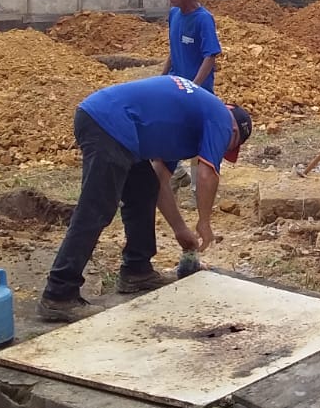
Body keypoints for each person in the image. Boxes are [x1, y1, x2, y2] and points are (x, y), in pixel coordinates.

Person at [38, 75, 253, 322]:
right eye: (228, 146)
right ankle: (59, 295)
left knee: (144, 188)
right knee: (96, 207)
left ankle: (137, 271)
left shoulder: (188, 121)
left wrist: (180, 230)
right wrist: (204, 223)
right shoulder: (221, 119)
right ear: (233, 132)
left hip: (116, 123)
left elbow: (159, 183)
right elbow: (207, 174)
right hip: (109, 123)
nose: (223, 150)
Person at [159, 0, 220, 92]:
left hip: (197, 90)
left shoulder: (203, 19)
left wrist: (193, 89)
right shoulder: (174, 13)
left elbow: (210, 57)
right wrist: (161, 79)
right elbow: (174, 50)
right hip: (176, 85)